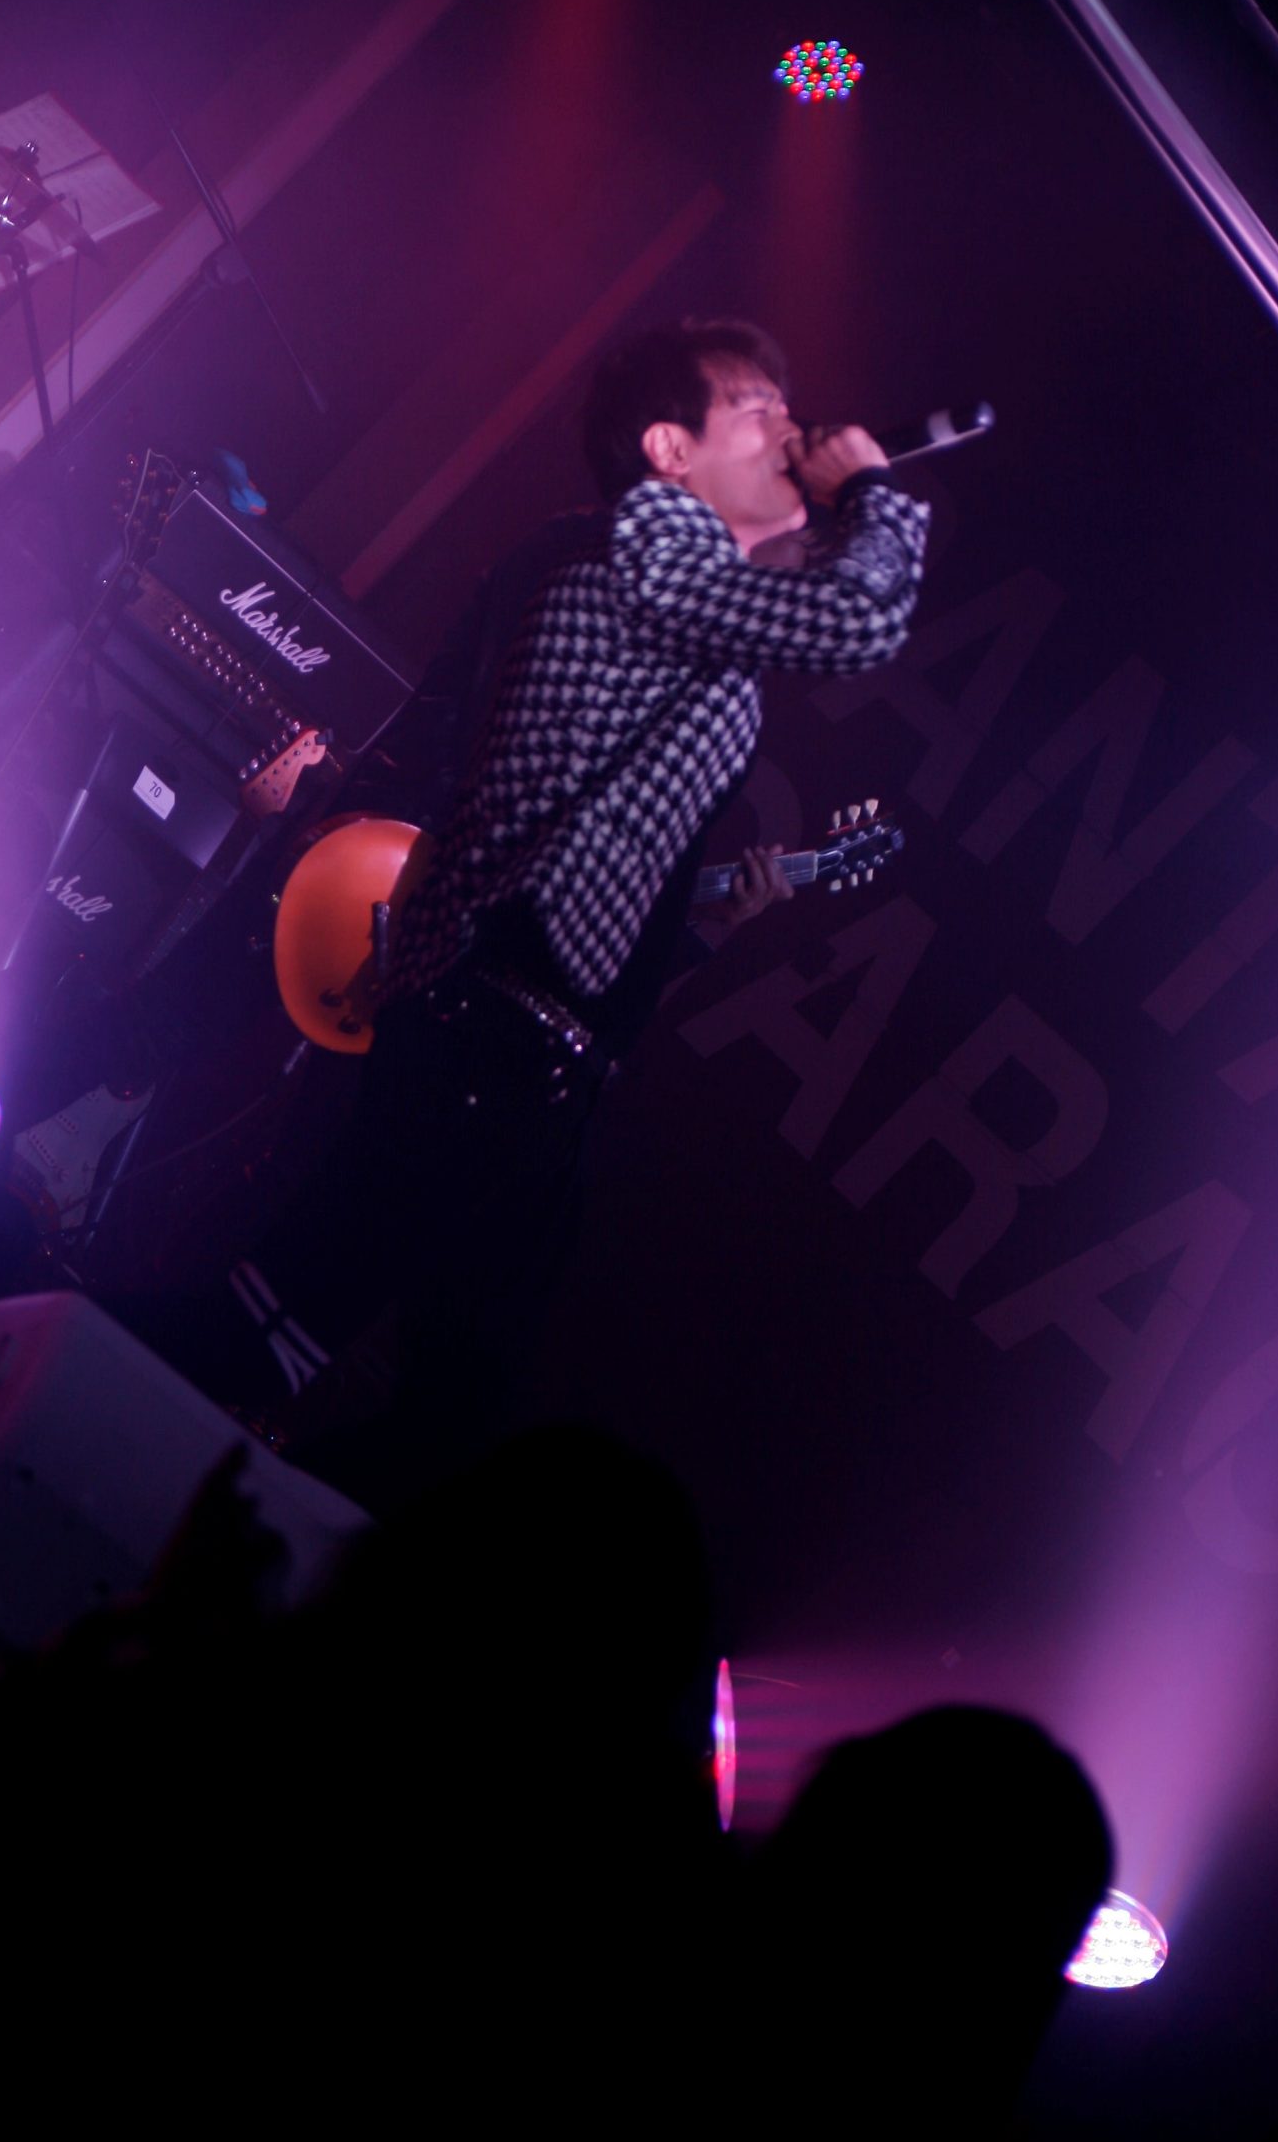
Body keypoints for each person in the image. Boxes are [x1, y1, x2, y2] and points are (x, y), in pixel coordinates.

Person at [180, 317, 931, 1504]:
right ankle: (74, 1445)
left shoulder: (692, 608)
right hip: (488, 1029)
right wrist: (875, 496)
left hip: (532, 1053)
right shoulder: (645, 560)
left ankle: (207, 1512)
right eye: (758, 410)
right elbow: (861, 622)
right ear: (669, 451)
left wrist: (701, 923)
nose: (792, 427)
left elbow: (604, 851)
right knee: (291, 1327)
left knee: (435, 1407)